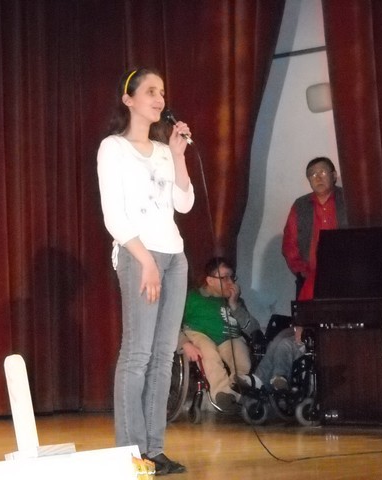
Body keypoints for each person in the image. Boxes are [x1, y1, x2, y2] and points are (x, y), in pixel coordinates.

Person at [97, 67, 194, 475]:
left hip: (174, 256)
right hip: (140, 255)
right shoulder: (113, 148)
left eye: (162, 92)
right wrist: (146, 261)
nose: (159, 99)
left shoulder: (163, 151)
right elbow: (114, 217)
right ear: (129, 99)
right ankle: (130, 453)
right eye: (151, 91)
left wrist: (178, 155)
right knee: (137, 354)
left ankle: (155, 449)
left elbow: (184, 204)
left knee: (163, 356)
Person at [179, 257, 261, 411]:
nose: (230, 282)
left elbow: (253, 329)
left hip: (229, 338)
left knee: (242, 359)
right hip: (198, 335)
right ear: (210, 280)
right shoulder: (192, 297)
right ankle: (221, 393)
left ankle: (232, 396)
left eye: (232, 277)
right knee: (209, 354)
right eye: (224, 278)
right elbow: (173, 325)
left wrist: (234, 304)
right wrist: (185, 344)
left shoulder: (237, 301)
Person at [282, 157, 348, 300]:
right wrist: (302, 271)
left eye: (322, 172)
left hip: (347, 276)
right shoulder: (300, 205)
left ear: (334, 175)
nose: (318, 178)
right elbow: (289, 243)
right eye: (312, 174)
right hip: (310, 278)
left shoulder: (348, 199)